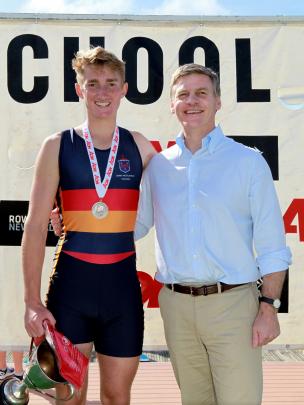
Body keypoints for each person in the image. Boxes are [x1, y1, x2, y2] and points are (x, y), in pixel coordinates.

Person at [134, 64, 292, 404]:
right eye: (183, 95)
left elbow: (272, 246)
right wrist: (74, 221)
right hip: (176, 307)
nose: (192, 101)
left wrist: (268, 307)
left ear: (218, 101)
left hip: (233, 306)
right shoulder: (158, 167)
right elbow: (132, 226)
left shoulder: (248, 162)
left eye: (202, 93)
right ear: (171, 105)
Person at [22, 46, 155, 405]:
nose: (102, 93)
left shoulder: (139, 146)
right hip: (70, 291)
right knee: (69, 398)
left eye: (111, 83)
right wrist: (32, 301)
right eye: (92, 83)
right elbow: (34, 226)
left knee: (116, 397)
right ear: (79, 89)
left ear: (124, 89)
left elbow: (171, 206)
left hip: (121, 293)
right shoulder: (57, 145)